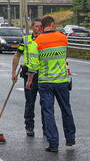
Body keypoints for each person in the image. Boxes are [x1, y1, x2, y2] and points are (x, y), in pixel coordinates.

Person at [26, 16, 75, 153]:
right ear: (53, 25)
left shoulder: (36, 42)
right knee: (66, 109)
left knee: (48, 112)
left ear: (42, 27)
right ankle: (70, 138)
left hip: (45, 82)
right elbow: (65, 56)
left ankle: (53, 144)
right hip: (61, 81)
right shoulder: (63, 38)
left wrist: (29, 80)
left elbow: (33, 65)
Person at [11, 19, 43, 137]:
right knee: (30, 102)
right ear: (32, 27)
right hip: (29, 75)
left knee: (45, 103)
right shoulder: (26, 40)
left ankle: (47, 128)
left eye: (41, 26)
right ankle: (29, 127)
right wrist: (13, 72)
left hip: (43, 75)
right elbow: (17, 55)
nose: (38, 28)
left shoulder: (45, 39)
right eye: (36, 26)